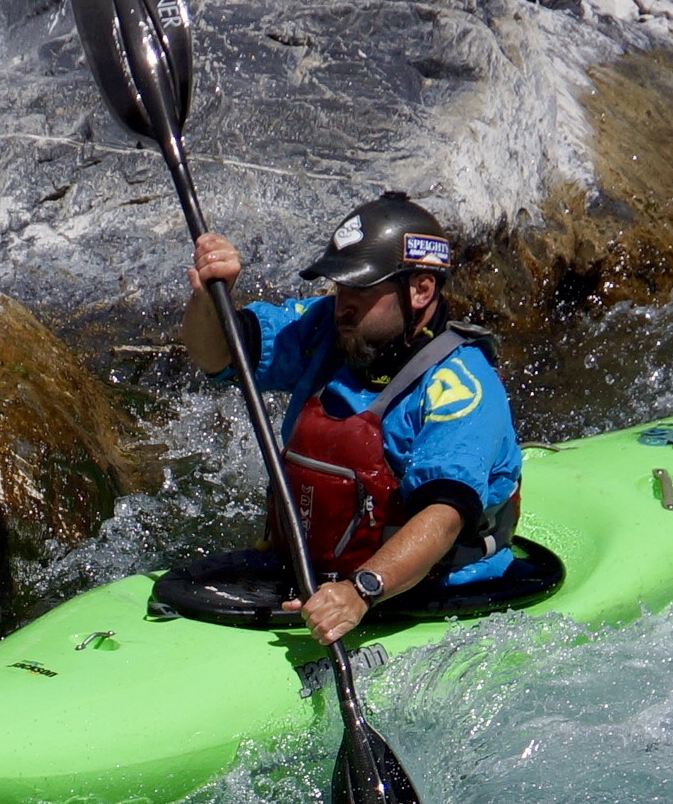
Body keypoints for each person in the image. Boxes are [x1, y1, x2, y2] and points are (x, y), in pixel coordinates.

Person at [181, 192, 522, 646]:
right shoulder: (328, 331)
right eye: (341, 287)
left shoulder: (461, 386)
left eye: (362, 289)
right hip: (313, 575)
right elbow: (218, 355)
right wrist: (210, 297)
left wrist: (362, 590)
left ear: (420, 291)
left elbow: (443, 517)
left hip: (428, 591)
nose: (344, 303)